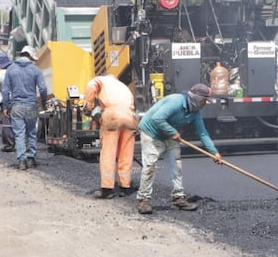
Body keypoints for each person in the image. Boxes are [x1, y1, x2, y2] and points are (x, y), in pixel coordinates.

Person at [135, 83, 223, 215]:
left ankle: (178, 198)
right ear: (198, 99)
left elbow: (202, 133)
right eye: (205, 100)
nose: (205, 103)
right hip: (151, 133)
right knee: (150, 166)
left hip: (169, 135)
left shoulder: (195, 112)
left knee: (176, 166)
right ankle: (143, 200)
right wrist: (172, 132)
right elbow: (157, 118)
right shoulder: (176, 101)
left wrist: (214, 153)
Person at [84, 73, 138, 199]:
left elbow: (91, 85)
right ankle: (125, 186)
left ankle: (107, 189)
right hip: (130, 117)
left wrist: (88, 104)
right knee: (126, 153)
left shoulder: (101, 80)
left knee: (108, 152)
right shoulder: (123, 87)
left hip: (112, 115)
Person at [1, 45, 48, 170]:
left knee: (19, 134)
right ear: (30, 56)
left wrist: (5, 106)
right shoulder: (35, 70)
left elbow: (5, 90)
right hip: (31, 105)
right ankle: (31, 158)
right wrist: (44, 102)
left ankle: (22, 160)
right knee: (31, 133)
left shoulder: (11, 69)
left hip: (16, 106)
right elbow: (43, 88)